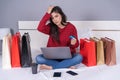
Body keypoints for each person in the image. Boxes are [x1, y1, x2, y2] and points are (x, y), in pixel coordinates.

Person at [36, 6, 83, 70]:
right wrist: (47, 13)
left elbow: (76, 44)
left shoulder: (71, 27)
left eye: (56, 16)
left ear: (61, 15)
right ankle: (66, 65)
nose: (55, 20)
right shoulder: (51, 27)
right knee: (38, 58)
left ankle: (52, 67)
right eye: (52, 18)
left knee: (79, 57)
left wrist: (73, 43)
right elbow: (40, 28)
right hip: (52, 57)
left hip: (67, 57)